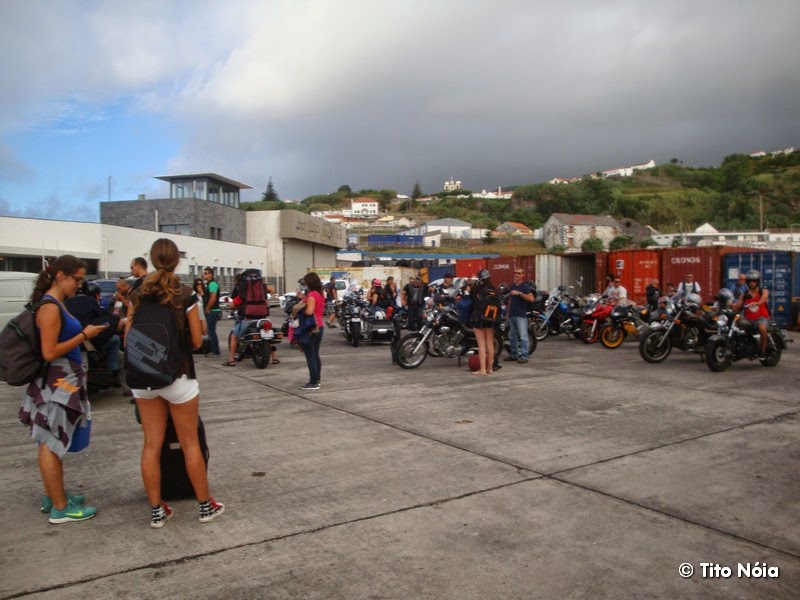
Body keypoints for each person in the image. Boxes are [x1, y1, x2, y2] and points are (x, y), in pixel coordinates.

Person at [126, 239, 224, 528]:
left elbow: (128, 336)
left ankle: (157, 511)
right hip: (177, 376)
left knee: (151, 446)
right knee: (189, 443)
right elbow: (196, 340)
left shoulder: (137, 293)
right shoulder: (184, 293)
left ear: (151, 259)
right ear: (176, 261)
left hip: (143, 378)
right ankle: (205, 507)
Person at [19, 255, 109, 523]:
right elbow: (49, 352)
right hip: (57, 384)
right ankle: (60, 507)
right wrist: (84, 335)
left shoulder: (54, 304)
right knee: (51, 442)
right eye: (77, 279)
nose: (79, 285)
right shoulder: (50, 307)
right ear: (61, 276)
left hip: (57, 381)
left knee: (51, 440)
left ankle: (54, 495)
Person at [293, 272, 325, 390]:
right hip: (319, 326)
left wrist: (302, 307)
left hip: (311, 327)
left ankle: (313, 382)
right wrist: (303, 298)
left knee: (310, 356)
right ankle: (317, 379)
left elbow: (309, 311)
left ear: (309, 283)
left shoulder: (311, 295)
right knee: (315, 354)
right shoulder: (320, 294)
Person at [733, 269, 770, 358]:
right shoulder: (744, 294)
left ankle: (763, 349)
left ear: (758, 282)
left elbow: (763, 300)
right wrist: (730, 305)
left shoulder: (763, 291)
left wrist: (757, 303)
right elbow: (738, 305)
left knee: (762, 328)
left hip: (761, 317)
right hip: (748, 319)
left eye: (754, 281)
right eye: (749, 281)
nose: (752, 283)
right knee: (736, 327)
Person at [469, 270, 497, 376]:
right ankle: (490, 368)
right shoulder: (494, 289)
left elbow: (471, 299)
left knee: (481, 344)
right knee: (490, 342)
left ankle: (483, 369)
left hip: (479, 318)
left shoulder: (477, 289)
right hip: (491, 318)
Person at [504, 268, 534, 363]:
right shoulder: (512, 286)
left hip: (521, 315)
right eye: (515, 273)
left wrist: (520, 293)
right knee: (512, 336)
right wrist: (507, 312)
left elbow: (531, 298)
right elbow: (510, 300)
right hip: (512, 315)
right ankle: (514, 355)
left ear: (523, 275)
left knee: (523, 336)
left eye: (519, 273)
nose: (516, 274)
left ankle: (524, 356)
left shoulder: (524, 287)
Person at [202, 267, 222, 357]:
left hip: (213, 310)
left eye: (205, 273)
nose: (204, 275)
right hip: (212, 310)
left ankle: (215, 350)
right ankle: (213, 349)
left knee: (211, 331)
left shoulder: (212, 284)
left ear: (211, 274)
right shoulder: (209, 284)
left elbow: (213, 298)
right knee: (210, 330)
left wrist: (207, 308)